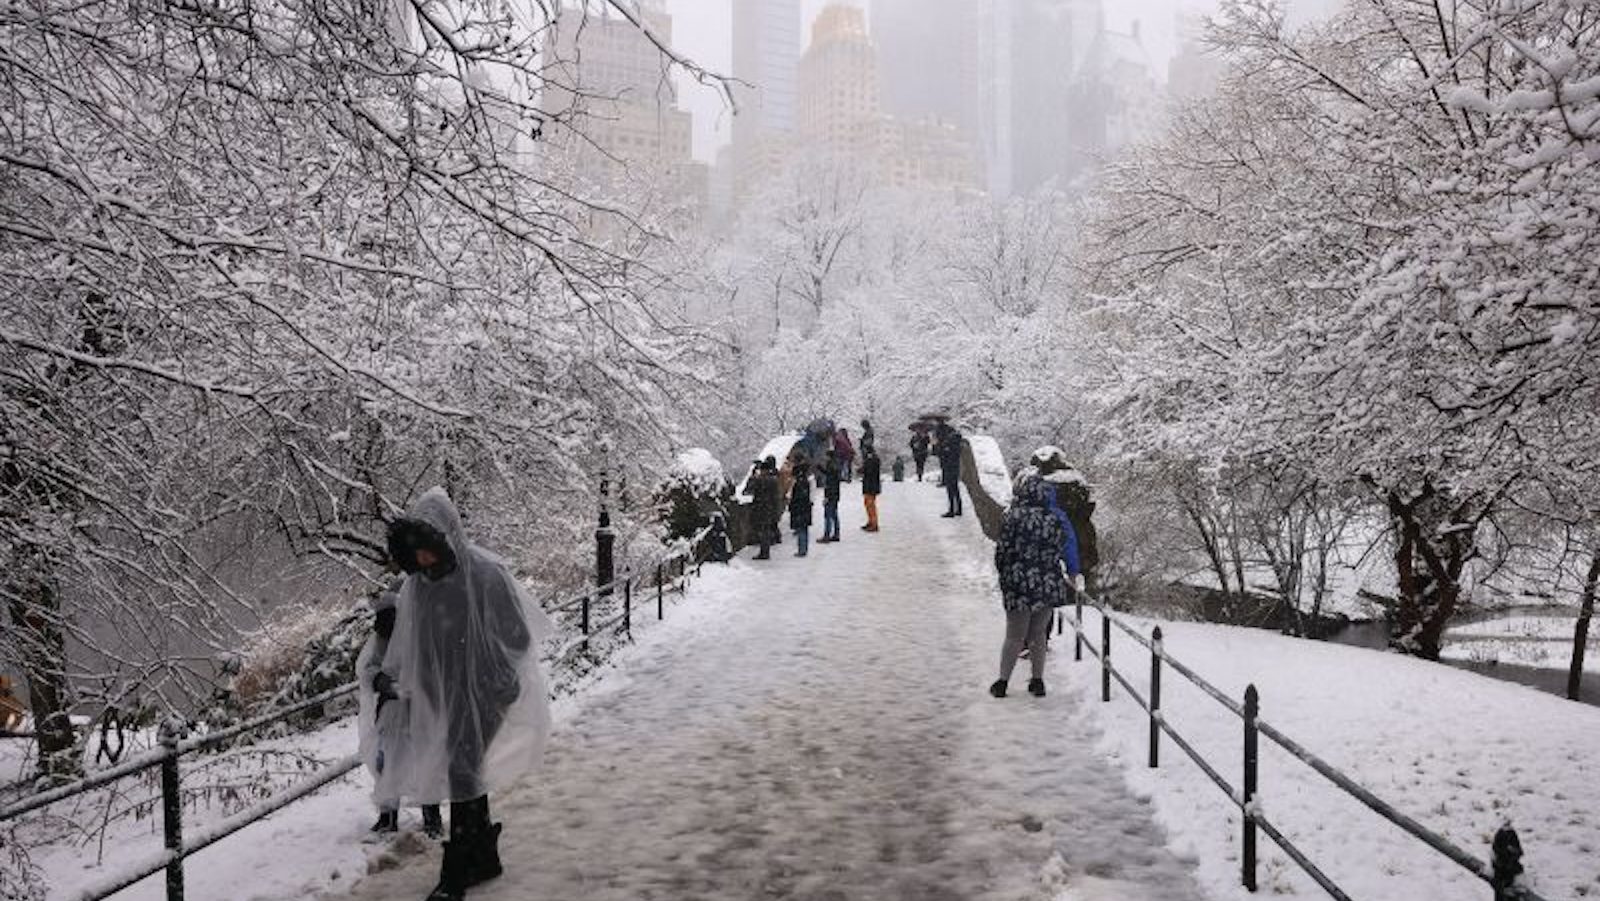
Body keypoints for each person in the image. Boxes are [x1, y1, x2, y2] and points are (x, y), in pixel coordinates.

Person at [381, 489, 554, 901]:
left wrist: (485, 675)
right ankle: (483, 855)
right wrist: (412, 685)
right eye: (416, 554)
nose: (423, 561)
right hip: (444, 695)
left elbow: (518, 635)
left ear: (446, 537)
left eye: (428, 550)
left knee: (461, 769)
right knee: (467, 770)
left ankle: (455, 873)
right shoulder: (419, 586)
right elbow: (413, 642)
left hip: (487, 693)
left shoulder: (485, 573)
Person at [357, 578, 443, 838]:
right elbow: (367, 669)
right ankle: (388, 817)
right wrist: (383, 682)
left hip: (418, 708)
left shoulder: (416, 635)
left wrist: (415, 684)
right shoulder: (378, 640)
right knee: (387, 764)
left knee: (425, 759)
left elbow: (431, 665)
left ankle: (432, 818)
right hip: (390, 711)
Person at [990, 475, 1075, 699]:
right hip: (1047, 583)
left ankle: (1002, 683)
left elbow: (1002, 551)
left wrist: (1006, 575)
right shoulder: (1054, 519)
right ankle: (1038, 681)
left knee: (1014, 636)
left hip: (1018, 584)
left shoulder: (1013, 517)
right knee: (1038, 634)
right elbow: (1061, 547)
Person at [743, 460, 778, 560]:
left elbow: (748, 490)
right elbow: (775, 497)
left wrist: (753, 476)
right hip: (769, 509)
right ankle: (766, 551)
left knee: (762, 531)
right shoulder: (773, 480)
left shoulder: (759, 480)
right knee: (766, 531)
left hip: (760, 509)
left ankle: (764, 552)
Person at [938, 424, 964, 518]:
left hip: (950, 467)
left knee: (950, 489)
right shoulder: (958, 441)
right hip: (955, 467)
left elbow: (946, 454)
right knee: (955, 488)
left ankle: (952, 510)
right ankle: (959, 509)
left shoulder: (951, 442)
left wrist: (943, 449)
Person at [789, 460, 814, 556]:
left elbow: (797, 498)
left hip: (800, 509)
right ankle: (804, 548)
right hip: (805, 509)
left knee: (801, 530)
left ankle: (802, 550)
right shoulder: (806, 481)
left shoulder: (799, 483)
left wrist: (793, 506)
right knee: (804, 529)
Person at [819, 450, 843, 543]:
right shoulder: (836, 465)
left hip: (830, 494)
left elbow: (830, 481)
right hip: (836, 493)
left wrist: (827, 496)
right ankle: (836, 534)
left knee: (828, 515)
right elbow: (830, 474)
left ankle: (827, 535)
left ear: (829, 457)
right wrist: (821, 469)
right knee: (834, 514)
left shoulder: (831, 465)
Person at [860, 448, 882, 532]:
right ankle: (870, 521)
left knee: (871, 505)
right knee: (867, 504)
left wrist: (862, 469)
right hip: (869, 486)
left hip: (871, 487)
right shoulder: (871, 460)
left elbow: (869, 471)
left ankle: (874, 524)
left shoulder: (873, 461)